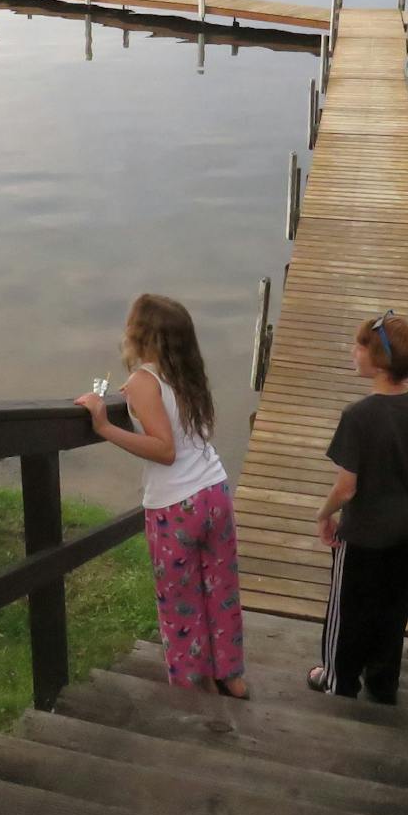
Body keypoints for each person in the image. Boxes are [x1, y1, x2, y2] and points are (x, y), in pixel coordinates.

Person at [76, 294, 249, 699]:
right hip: (215, 493)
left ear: (141, 335)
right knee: (221, 592)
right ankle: (231, 676)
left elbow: (164, 450)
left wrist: (104, 425)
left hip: (176, 506)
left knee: (180, 604)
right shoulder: (188, 377)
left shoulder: (142, 381)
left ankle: (192, 689)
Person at [308, 310, 408, 703]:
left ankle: (337, 678)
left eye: (360, 344)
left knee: (347, 613)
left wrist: (323, 513)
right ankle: (383, 684)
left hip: (363, 535)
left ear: (378, 360)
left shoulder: (358, 416)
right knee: (391, 612)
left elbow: (347, 488)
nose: (353, 350)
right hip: (405, 531)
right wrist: (406, 497)